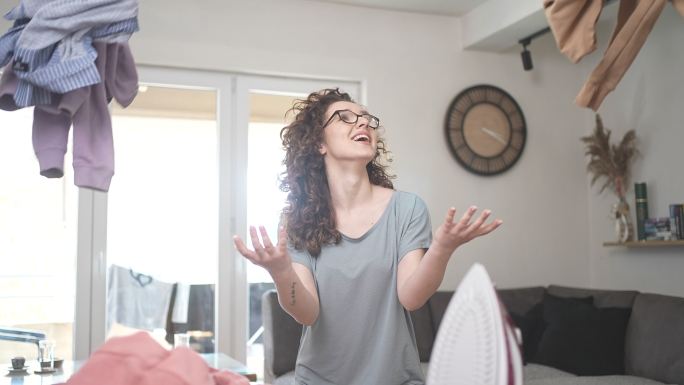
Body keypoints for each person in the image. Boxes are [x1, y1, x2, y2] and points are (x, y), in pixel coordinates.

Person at [233, 88, 502, 385]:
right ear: (319, 143)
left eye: (365, 119)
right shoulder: (298, 218)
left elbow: (411, 298)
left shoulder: (407, 208)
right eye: (344, 118)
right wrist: (282, 272)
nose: (362, 123)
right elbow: (307, 313)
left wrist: (442, 248)